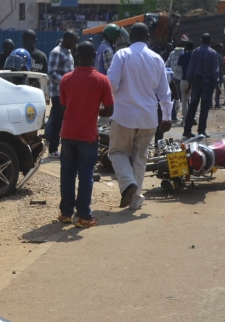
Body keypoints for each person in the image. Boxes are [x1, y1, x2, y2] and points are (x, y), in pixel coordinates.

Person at [107, 22, 172, 210]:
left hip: (124, 116)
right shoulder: (157, 59)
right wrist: (166, 116)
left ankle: (128, 184)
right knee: (140, 158)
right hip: (148, 118)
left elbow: (112, 84)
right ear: (148, 38)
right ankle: (135, 201)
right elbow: (164, 92)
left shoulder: (122, 54)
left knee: (117, 152)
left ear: (130, 37)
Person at [58, 41, 114, 228]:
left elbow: (65, 106)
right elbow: (110, 110)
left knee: (67, 174)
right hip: (88, 136)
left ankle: (66, 213)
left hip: (67, 134)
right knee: (86, 175)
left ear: (76, 56)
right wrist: (94, 112)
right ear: (94, 57)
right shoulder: (101, 80)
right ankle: (83, 216)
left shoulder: (66, 79)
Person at [46, 31, 78, 157]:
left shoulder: (69, 52)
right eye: (74, 42)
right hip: (58, 92)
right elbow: (51, 73)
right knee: (58, 120)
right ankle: (53, 149)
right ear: (68, 40)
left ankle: (65, 147)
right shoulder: (56, 52)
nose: (75, 45)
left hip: (69, 92)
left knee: (67, 120)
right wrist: (66, 81)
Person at [183, 33, 221, 138]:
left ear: (201, 40)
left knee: (192, 106)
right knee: (204, 107)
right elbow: (215, 70)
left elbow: (191, 68)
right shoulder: (213, 53)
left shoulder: (195, 52)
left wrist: (189, 82)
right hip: (207, 82)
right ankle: (201, 131)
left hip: (196, 81)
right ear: (210, 41)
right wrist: (217, 85)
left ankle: (187, 130)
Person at [177, 41, 194, 125]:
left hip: (184, 80)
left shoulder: (182, 55)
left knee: (184, 99)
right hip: (194, 80)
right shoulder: (195, 55)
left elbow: (179, 64)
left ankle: (184, 119)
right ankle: (193, 117)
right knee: (193, 100)